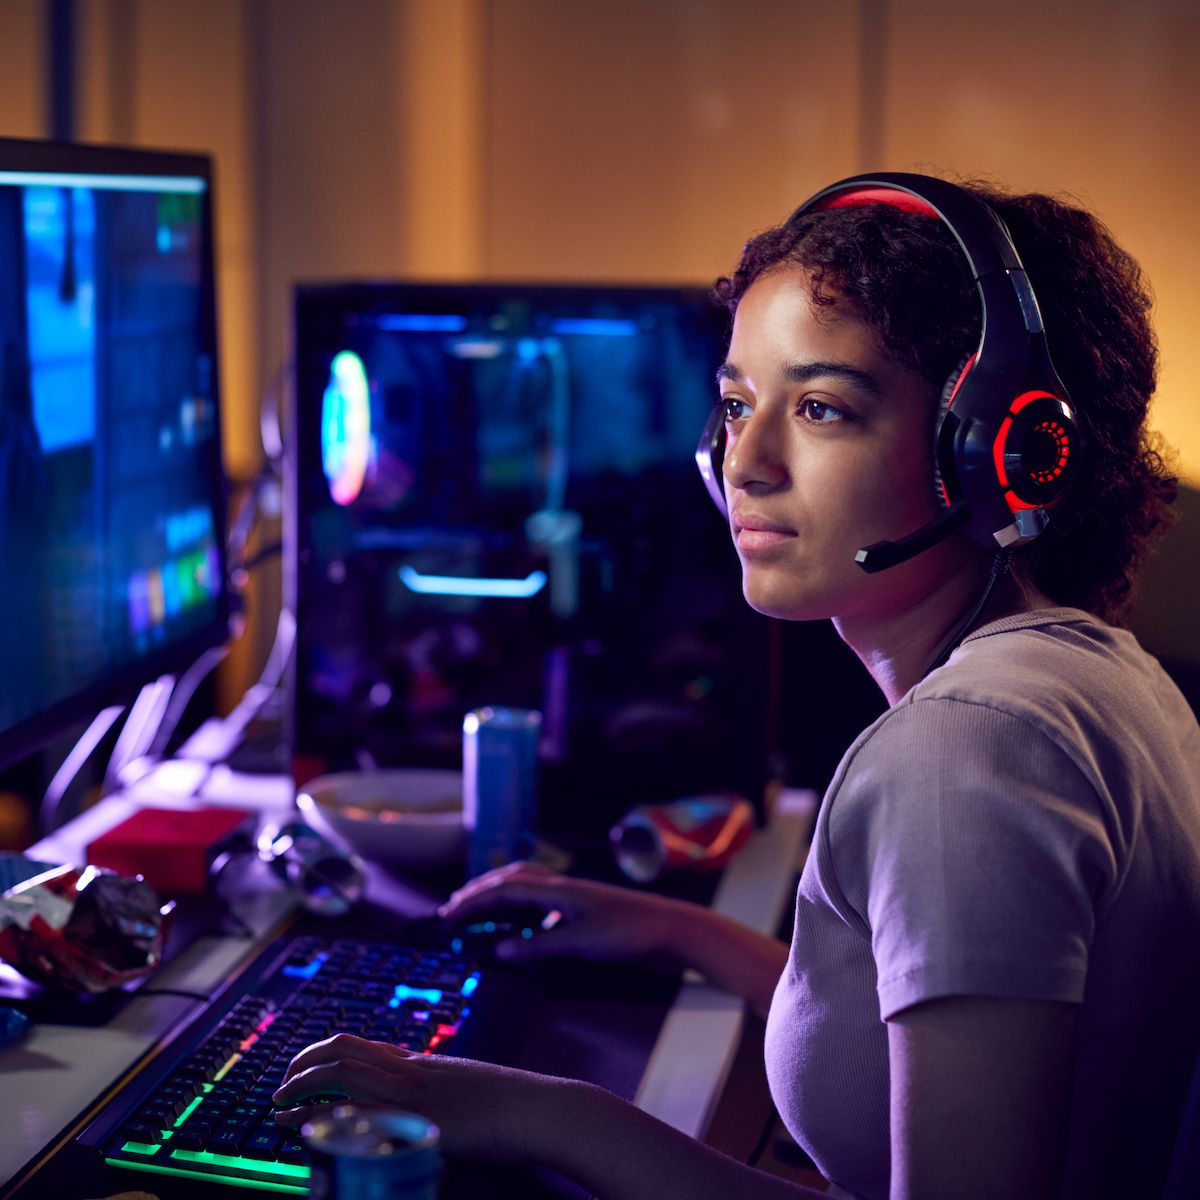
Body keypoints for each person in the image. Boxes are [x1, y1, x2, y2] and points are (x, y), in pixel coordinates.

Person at [271, 176, 1200, 1200]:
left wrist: (537, 1111)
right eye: (735, 404)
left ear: (995, 456)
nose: (741, 463)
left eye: (821, 408)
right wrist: (680, 931)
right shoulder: (1103, 676)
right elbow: (947, 1013)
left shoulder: (962, 752)